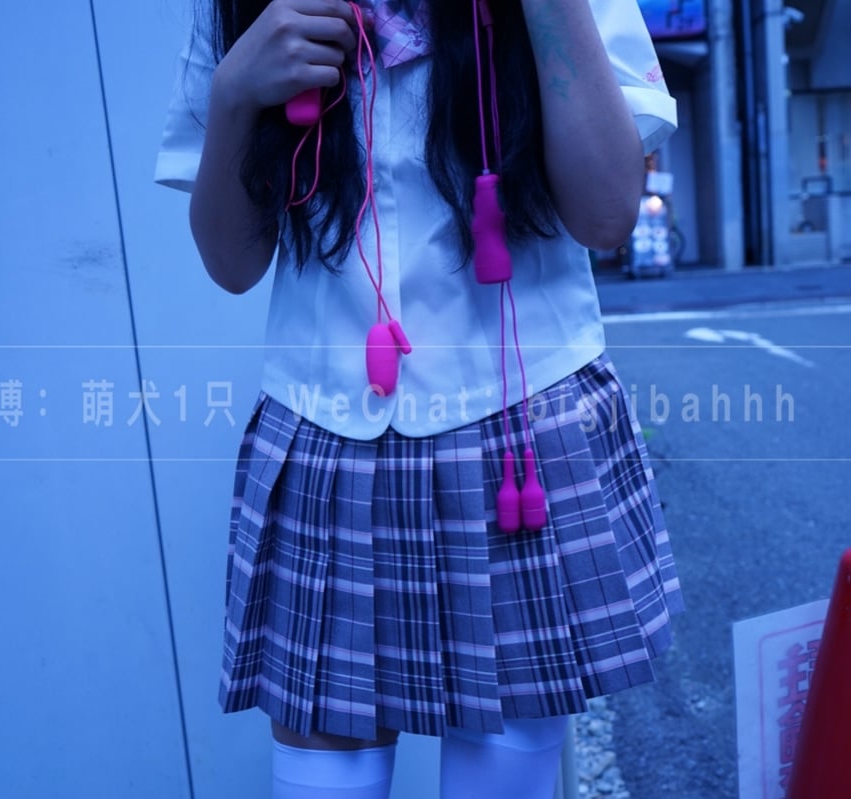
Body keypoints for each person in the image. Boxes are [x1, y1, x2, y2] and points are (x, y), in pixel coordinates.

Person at [155, 1, 683, 798]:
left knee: (503, 774)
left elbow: (608, 213)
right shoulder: (244, 7)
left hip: (516, 434)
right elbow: (231, 262)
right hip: (326, 436)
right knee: (323, 774)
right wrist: (235, 92)